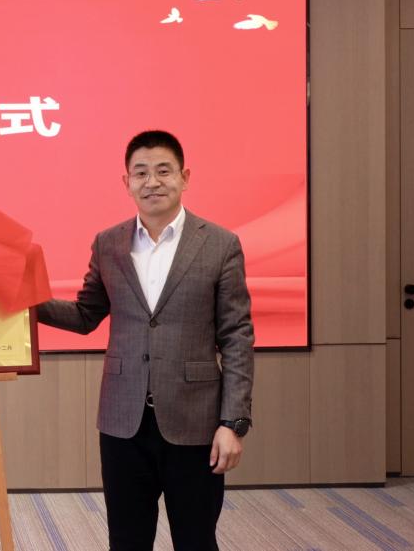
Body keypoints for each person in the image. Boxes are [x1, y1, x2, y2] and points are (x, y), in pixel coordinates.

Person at [38, 130, 253, 551]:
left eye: (163, 171)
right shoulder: (108, 243)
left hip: (194, 421)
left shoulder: (220, 244)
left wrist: (233, 423)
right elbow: (85, 315)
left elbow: (237, 337)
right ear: (127, 182)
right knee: (127, 539)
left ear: (184, 177)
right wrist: (24, 301)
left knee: (196, 539)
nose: (152, 182)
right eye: (140, 173)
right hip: (123, 421)